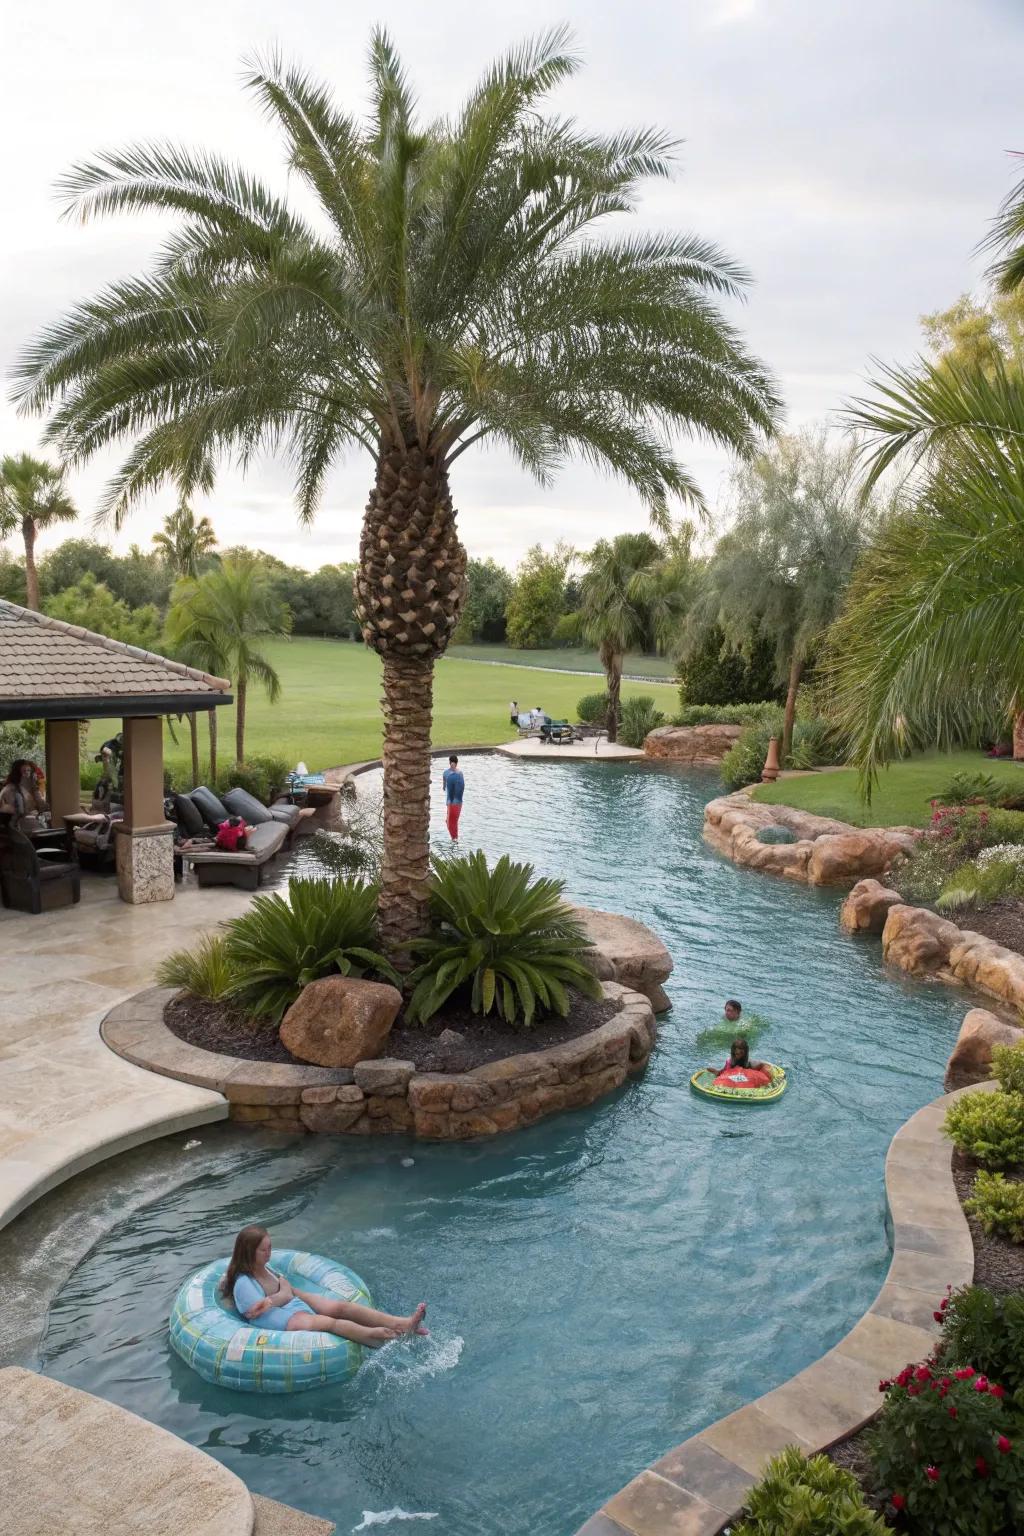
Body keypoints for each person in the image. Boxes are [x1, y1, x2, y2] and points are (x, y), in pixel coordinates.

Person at [222, 1225, 428, 1348]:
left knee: (341, 1308)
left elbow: (283, 1290)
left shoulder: (265, 1268)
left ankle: (402, 1323)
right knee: (331, 1323)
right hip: (286, 1320)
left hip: (291, 1305)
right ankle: (382, 1336)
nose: (269, 1253)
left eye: (270, 1248)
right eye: (263, 1250)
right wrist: (283, 1293)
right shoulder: (244, 1283)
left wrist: (285, 1292)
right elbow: (257, 1310)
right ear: (249, 1252)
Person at [0, 760, 48, 834]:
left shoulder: (30, 789)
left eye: (29, 771)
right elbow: (19, 813)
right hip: (21, 831)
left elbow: (43, 807)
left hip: (32, 826)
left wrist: (34, 788)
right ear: (16, 773)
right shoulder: (10, 790)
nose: (27, 774)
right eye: (24, 771)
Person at [441, 754, 465, 840]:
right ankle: (455, 840)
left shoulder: (445, 773)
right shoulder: (460, 774)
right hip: (457, 803)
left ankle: (454, 840)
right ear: (457, 763)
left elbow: (444, 787)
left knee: (450, 822)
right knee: (452, 822)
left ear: (449, 762)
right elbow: (462, 788)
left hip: (450, 803)